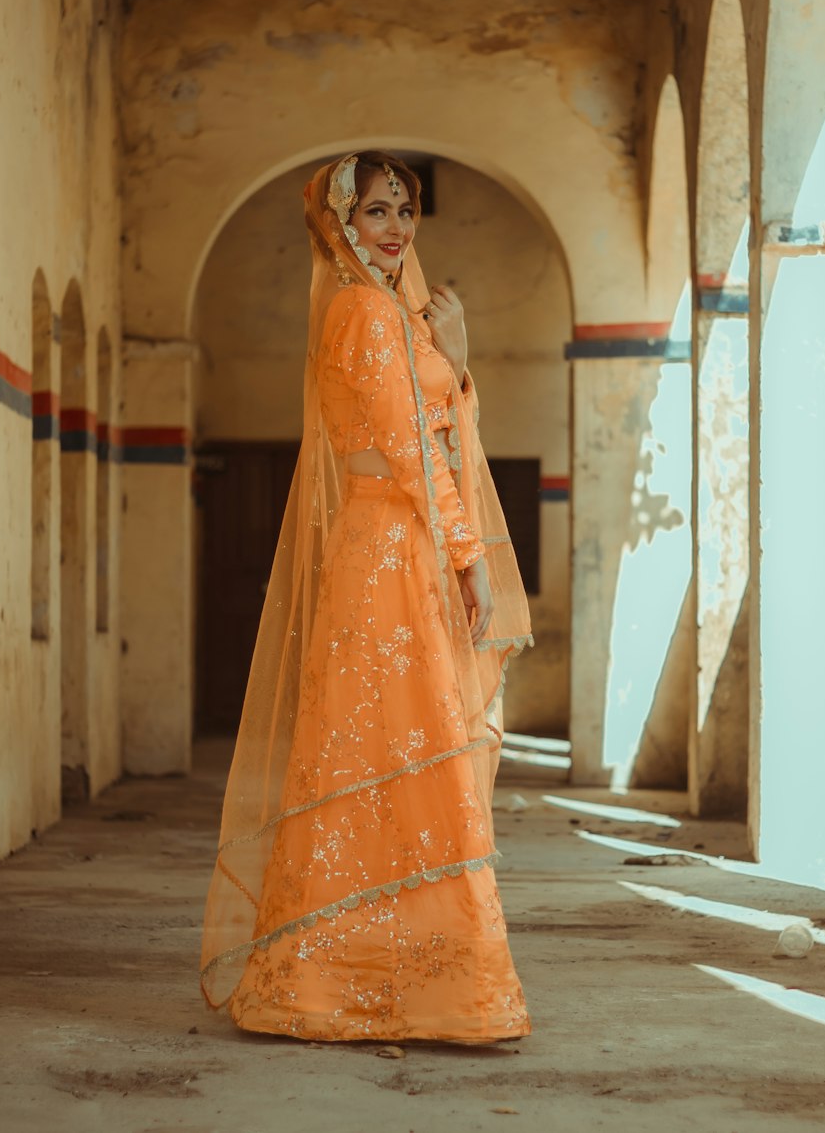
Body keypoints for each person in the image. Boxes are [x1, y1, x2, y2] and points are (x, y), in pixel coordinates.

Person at [199, 150, 533, 1043]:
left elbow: (432, 432)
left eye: (405, 211)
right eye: (377, 212)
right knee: (388, 758)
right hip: (391, 549)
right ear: (339, 225)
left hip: (396, 550)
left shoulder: (397, 316)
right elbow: (413, 455)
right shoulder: (364, 313)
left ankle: (393, 974)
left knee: (402, 758)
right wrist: (471, 562)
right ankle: (346, 980)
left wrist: (457, 365)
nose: (395, 231)